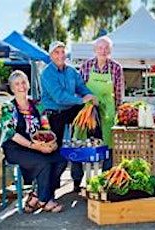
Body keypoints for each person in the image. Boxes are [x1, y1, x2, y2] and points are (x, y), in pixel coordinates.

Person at [1, 70, 67, 213]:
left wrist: (52, 143)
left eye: (24, 82)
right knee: (43, 162)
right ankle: (45, 200)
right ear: (12, 88)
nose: (21, 86)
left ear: (29, 84)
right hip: (16, 148)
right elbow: (11, 133)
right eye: (17, 84)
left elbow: (46, 127)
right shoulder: (9, 107)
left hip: (37, 145)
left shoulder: (38, 105)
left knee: (61, 159)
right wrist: (34, 146)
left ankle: (36, 195)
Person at [40, 41, 96, 192]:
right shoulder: (46, 73)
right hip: (55, 114)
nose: (60, 55)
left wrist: (90, 96)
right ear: (51, 55)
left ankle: (77, 179)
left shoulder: (72, 71)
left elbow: (81, 87)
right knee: (55, 149)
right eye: (56, 53)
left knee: (78, 140)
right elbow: (59, 97)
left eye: (62, 52)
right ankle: (51, 185)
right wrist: (81, 100)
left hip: (71, 110)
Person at [79, 36, 124, 171]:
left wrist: (117, 114)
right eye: (100, 48)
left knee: (108, 145)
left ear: (110, 50)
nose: (103, 51)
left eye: (106, 48)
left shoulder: (116, 68)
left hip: (108, 113)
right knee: (81, 142)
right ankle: (77, 179)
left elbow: (119, 93)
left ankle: (105, 178)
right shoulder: (86, 66)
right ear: (94, 50)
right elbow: (79, 89)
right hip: (88, 113)